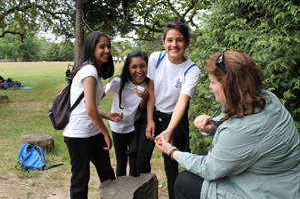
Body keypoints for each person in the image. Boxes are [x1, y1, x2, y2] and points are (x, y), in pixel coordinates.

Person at [156, 49, 300, 199]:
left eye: (213, 82)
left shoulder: (246, 129)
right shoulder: (266, 98)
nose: (210, 86)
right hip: (278, 176)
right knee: (199, 160)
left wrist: (172, 152)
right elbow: (240, 129)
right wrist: (212, 127)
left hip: (273, 191)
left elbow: (209, 169)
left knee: (184, 182)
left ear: (229, 87)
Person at [137, 17, 200, 199]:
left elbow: (182, 102)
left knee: (171, 166)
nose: (174, 44)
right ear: (163, 42)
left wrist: (169, 130)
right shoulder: (157, 58)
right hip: (154, 113)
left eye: (179, 40)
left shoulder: (191, 70)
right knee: (141, 158)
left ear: (187, 43)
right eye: (170, 40)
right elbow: (152, 90)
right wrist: (149, 119)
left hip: (175, 119)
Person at [63, 31, 123, 199]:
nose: (107, 50)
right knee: (80, 181)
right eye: (101, 46)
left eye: (108, 47)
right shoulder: (89, 70)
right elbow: (89, 109)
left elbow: (88, 107)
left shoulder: (94, 70)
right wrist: (106, 133)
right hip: (78, 134)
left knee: (107, 175)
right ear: (92, 48)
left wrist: (107, 116)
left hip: (91, 131)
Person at [103, 50, 149, 177]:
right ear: (128, 68)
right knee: (121, 161)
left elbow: (141, 108)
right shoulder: (118, 82)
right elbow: (95, 99)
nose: (139, 70)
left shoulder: (148, 84)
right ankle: (122, 191)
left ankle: (134, 191)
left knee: (135, 162)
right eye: (134, 67)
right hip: (118, 127)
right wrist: (105, 115)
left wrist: (145, 97)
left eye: (142, 66)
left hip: (135, 126)